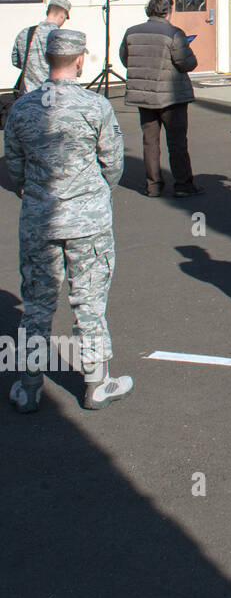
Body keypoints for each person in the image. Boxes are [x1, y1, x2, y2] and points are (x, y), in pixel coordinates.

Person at [4, 28, 132, 412]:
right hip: (87, 222)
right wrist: (95, 196)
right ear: (79, 60)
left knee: (38, 304)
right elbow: (113, 163)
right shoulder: (95, 107)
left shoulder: (23, 108)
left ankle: (28, 386)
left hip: (40, 220)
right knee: (89, 303)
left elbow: (15, 166)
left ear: (46, 59)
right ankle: (97, 383)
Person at [119, 0, 201, 198]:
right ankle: (183, 184)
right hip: (172, 97)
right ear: (168, 11)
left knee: (150, 142)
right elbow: (186, 63)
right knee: (177, 142)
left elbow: (125, 58)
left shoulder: (131, 32)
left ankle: (153, 185)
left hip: (144, 95)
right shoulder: (174, 33)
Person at [10, 0, 70, 92]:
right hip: (51, 97)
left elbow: (16, 61)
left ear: (47, 12)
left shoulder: (24, 33)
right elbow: (68, 69)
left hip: (27, 96)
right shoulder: (61, 38)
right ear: (63, 15)